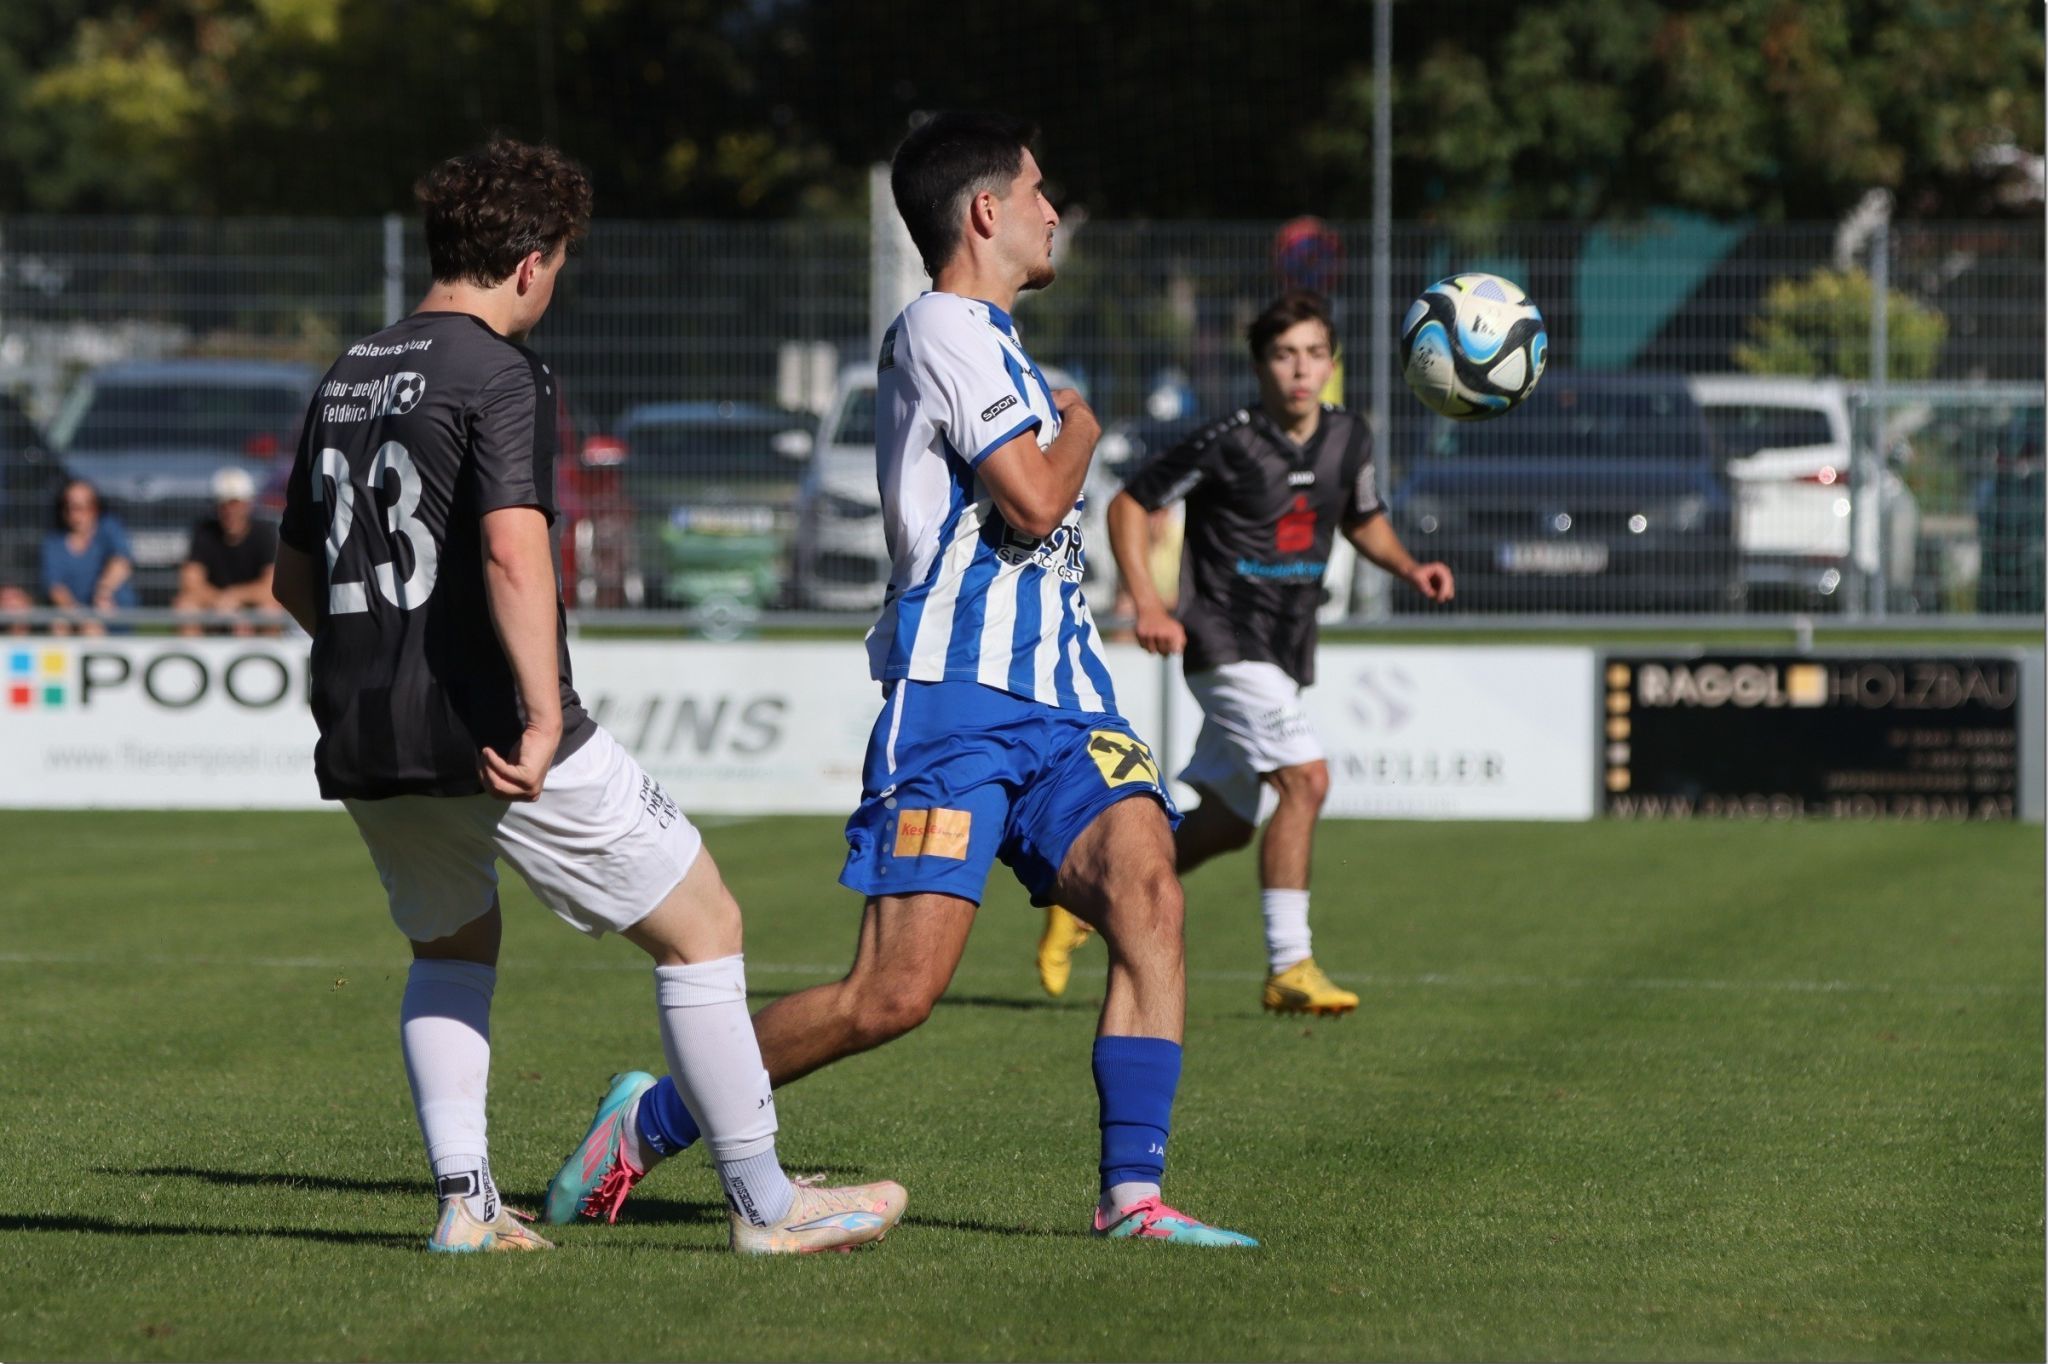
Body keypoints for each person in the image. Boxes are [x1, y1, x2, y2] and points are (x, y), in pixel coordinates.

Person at [544, 112, 1255, 1248]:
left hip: (1066, 703)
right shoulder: (940, 326)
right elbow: (1031, 497)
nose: (1050, 210)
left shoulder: (1000, 342)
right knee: (893, 994)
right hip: (956, 706)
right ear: (984, 211)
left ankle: (1132, 1198)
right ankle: (652, 1117)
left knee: (1149, 888)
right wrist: (1082, 425)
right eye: (1035, 191)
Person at [269, 137, 905, 1257]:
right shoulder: (500, 370)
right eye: (557, 262)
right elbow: (515, 552)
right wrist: (542, 711)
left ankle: (466, 1204)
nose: (553, 285)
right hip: (494, 723)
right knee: (702, 925)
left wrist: (385, 654)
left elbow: (291, 578)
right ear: (526, 261)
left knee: (452, 950)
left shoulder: (347, 372)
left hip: (362, 724)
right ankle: (766, 1205)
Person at [1037, 291, 1454, 1016]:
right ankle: (1290, 966)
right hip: (1223, 641)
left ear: (1332, 362)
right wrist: (1150, 602)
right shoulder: (1230, 437)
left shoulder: (1350, 435)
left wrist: (1410, 568)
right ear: (1262, 365)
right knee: (1306, 781)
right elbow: (1129, 504)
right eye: (1286, 354)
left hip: (1285, 646)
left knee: (1230, 821)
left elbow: (1363, 517)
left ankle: (1085, 899)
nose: (1302, 369)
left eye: (1316, 354)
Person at [173, 467, 283, 635]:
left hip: (250, 607)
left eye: (235, 503)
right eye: (223, 504)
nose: (229, 510)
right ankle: (195, 658)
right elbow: (190, 582)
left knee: (270, 611)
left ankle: (266, 659)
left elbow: (271, 587)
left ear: (248, 504)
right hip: (214, 607)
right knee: (185, 607)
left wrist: (236, 597)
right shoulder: (205, 532)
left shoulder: (264, 533)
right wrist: (221, 602)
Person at [40, 479, 136, 634]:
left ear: (95, 508)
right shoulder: (54, 542)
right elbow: (55, 587)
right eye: (70, 507)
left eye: (84, 507)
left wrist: (103, 592)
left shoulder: (109, 529)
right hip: (74, 612)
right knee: (59, 625)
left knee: (92, 631)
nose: (76, 513)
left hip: (110, 611)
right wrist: (78, 615)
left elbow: (121, 562)